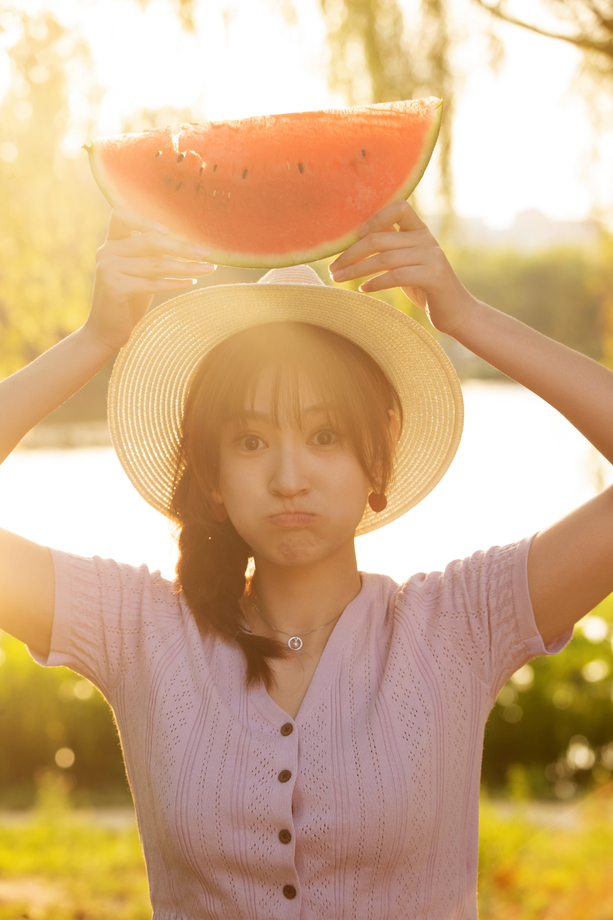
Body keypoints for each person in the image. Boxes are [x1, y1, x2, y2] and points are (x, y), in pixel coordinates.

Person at [1, 198, 612, 920]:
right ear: (212, 478)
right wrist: (96, 338)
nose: (289, 476)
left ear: (376, 457)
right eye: (251, 442)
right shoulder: (140, 629)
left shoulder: (457, 625)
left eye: (324, 436)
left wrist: (464, 317)